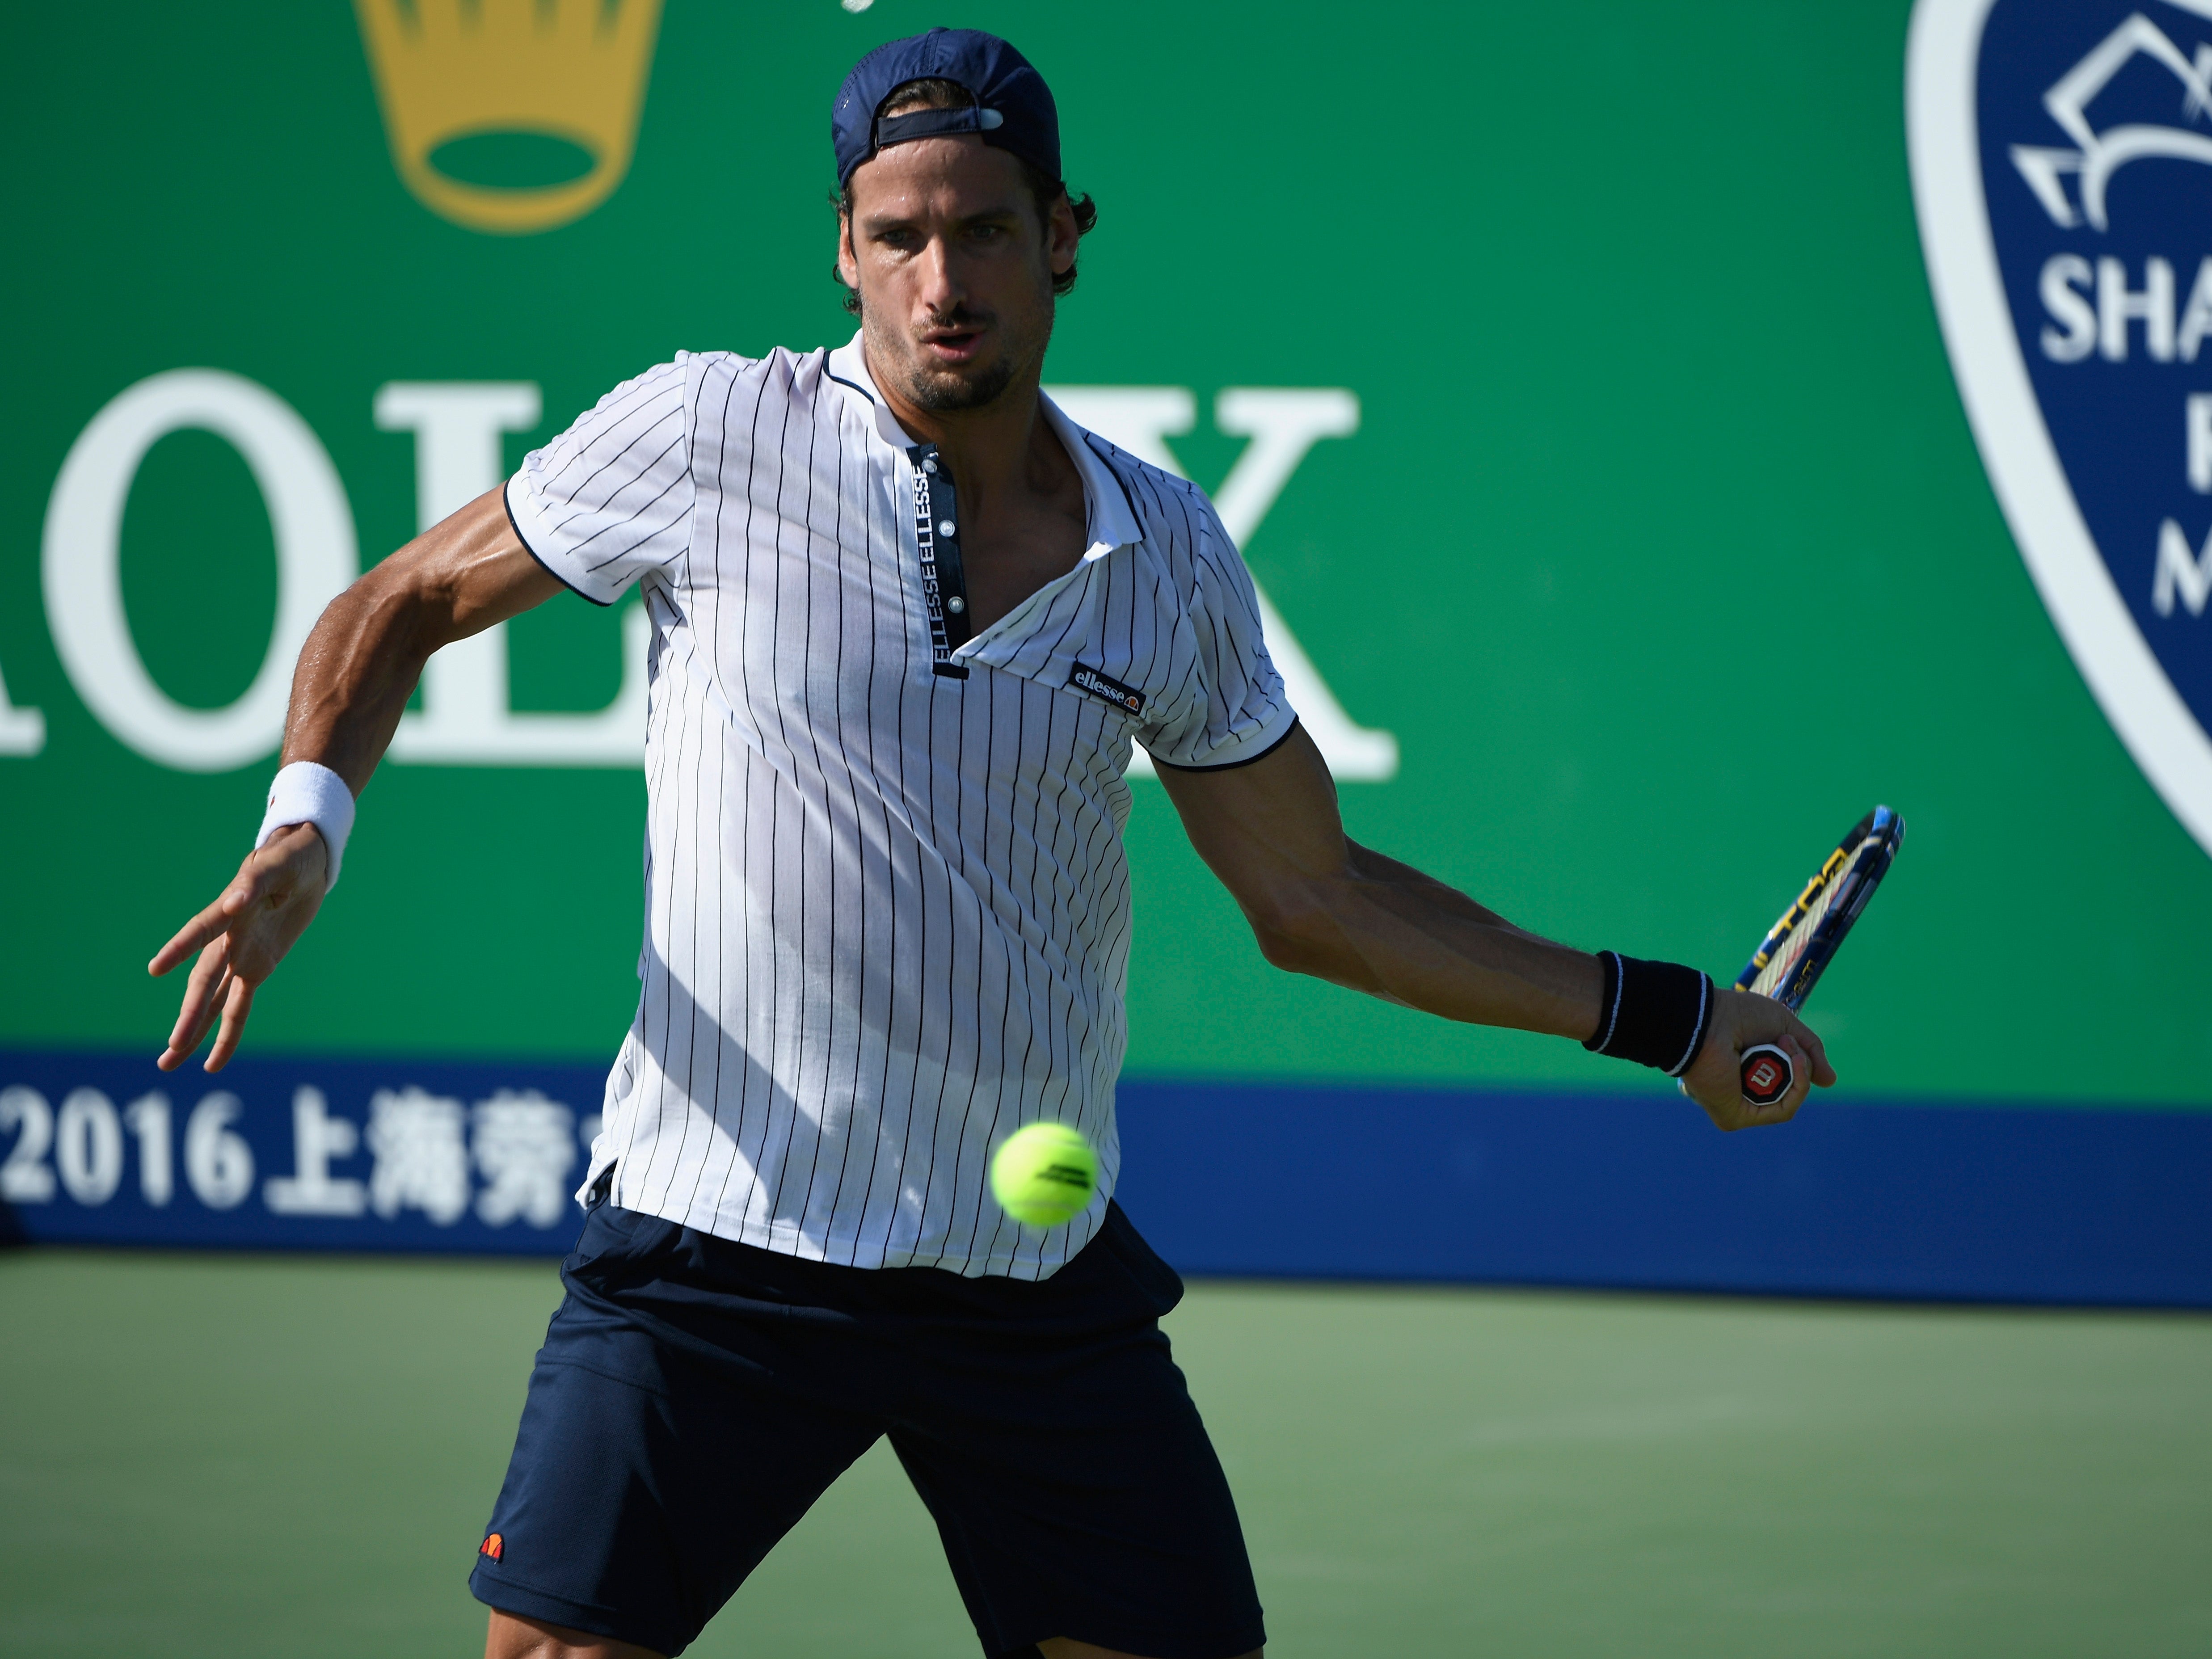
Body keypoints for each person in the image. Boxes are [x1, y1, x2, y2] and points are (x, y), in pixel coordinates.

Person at [148, 27, 1833, 1659]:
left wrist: (1672, 1018)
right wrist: (310, 820)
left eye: (983, 232)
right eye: (899, 238)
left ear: (1063, 243)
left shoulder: (1165, 552)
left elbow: (1315, 897)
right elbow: (407, 600)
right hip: (721, 1250)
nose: (940, 279)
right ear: (846, 250)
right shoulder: (708, 434)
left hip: (1026, 1279)